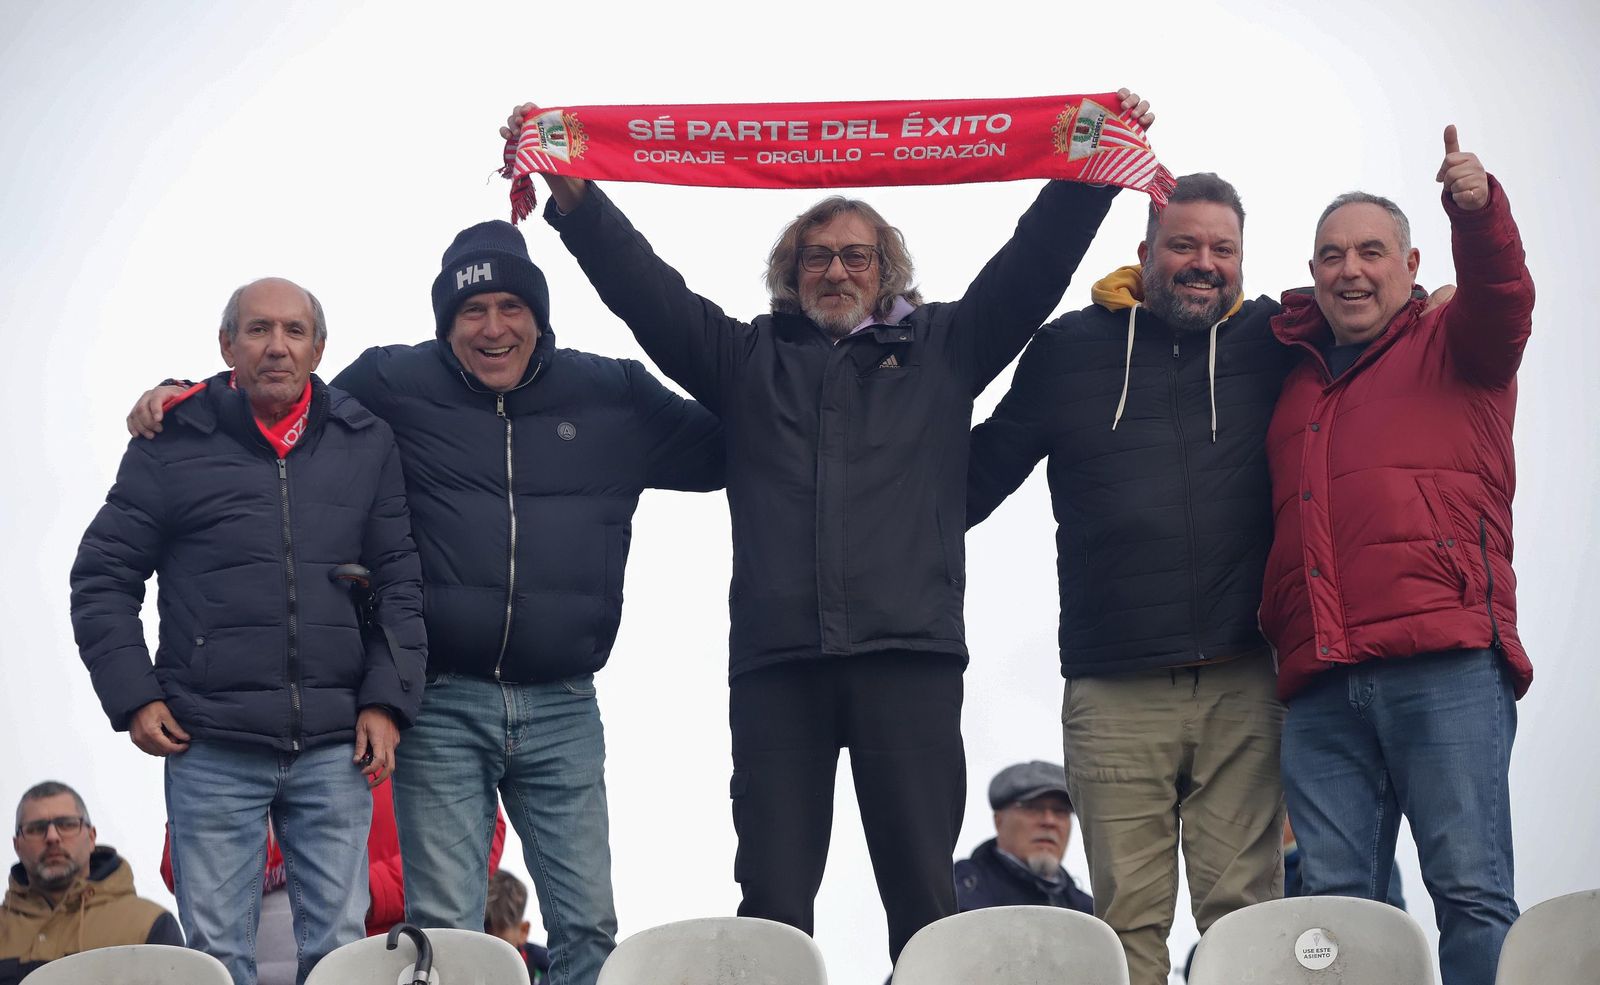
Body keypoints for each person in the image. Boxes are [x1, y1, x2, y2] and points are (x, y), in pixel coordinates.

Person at [508, 88, 1153, 963]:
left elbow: (1032, 265)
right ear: (790, 272)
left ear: (887, 270)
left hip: (910, 661)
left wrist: (1090, 172)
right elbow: (645, 291)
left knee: (924, 901)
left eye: (856, 256)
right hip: (780, 669)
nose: (837, 271)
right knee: (772, 901)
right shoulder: (742, 361)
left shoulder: (947, 347)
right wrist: (576, 198)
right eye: (817, 258)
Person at [125, 222, 724, 985]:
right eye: (472, 310)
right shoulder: (392, 383)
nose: (494, 326)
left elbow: (732, 448)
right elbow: (288, 413)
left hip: (564, 703)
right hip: (440, 698)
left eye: (511, 305)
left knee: (589, 924)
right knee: (447, 932)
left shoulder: (612, 394)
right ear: (445, 323)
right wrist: (186, 397)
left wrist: (795, 382)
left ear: (540, 315)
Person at [966, 173, 1289, 985]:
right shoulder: (1070, 348)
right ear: (1144, 252)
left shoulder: (1279, 337)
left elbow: (1380, 327)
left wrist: (1436, 296)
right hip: (1114, 686)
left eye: (1222, 248)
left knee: (1244, 915)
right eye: (1183, 244)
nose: (1202, 262)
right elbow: (973, 479)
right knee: (1126, 924)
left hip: (1245, 676)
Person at [72, 277, 428, 985]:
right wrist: (134, 696)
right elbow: (102, 575)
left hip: (334, 743)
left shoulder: (365, 439)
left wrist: (387, 701)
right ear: (226, 344)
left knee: (339, 954)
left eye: (294, 331)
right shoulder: (172, 438)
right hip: (211, 742)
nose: (276, 346)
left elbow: (399, 579)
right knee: (214, 959)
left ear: (319, 348)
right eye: (258, 329)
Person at [1261, 126, 1533, 985]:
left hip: (1445, 659)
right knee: (1338, 911)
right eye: (1332, 255)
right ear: (1313, 274)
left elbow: (1503, 292)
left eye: (1372, 251)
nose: (1351, 269)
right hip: (1324, 681)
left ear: (1412, 264)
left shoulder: (1459, 339)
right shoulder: (1292, 374)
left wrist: (1477, 209)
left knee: (1471, 889)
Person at [1, 782, 182, 985]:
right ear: (16, 844)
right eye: (36, 829)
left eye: (67, 824)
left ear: (91, 837)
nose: (52, 837)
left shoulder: (149, 924)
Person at [954, 762, 1092, 914]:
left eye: (1060, 811)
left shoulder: (1090, 910)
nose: (1049, 821)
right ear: (998, 821)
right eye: (1033, 808)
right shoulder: (959, 889)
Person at [486, 870, 551, 983]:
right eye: (481, 942)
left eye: (501, 946)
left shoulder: (551, 971)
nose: (490, 956)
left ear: (523, 931)